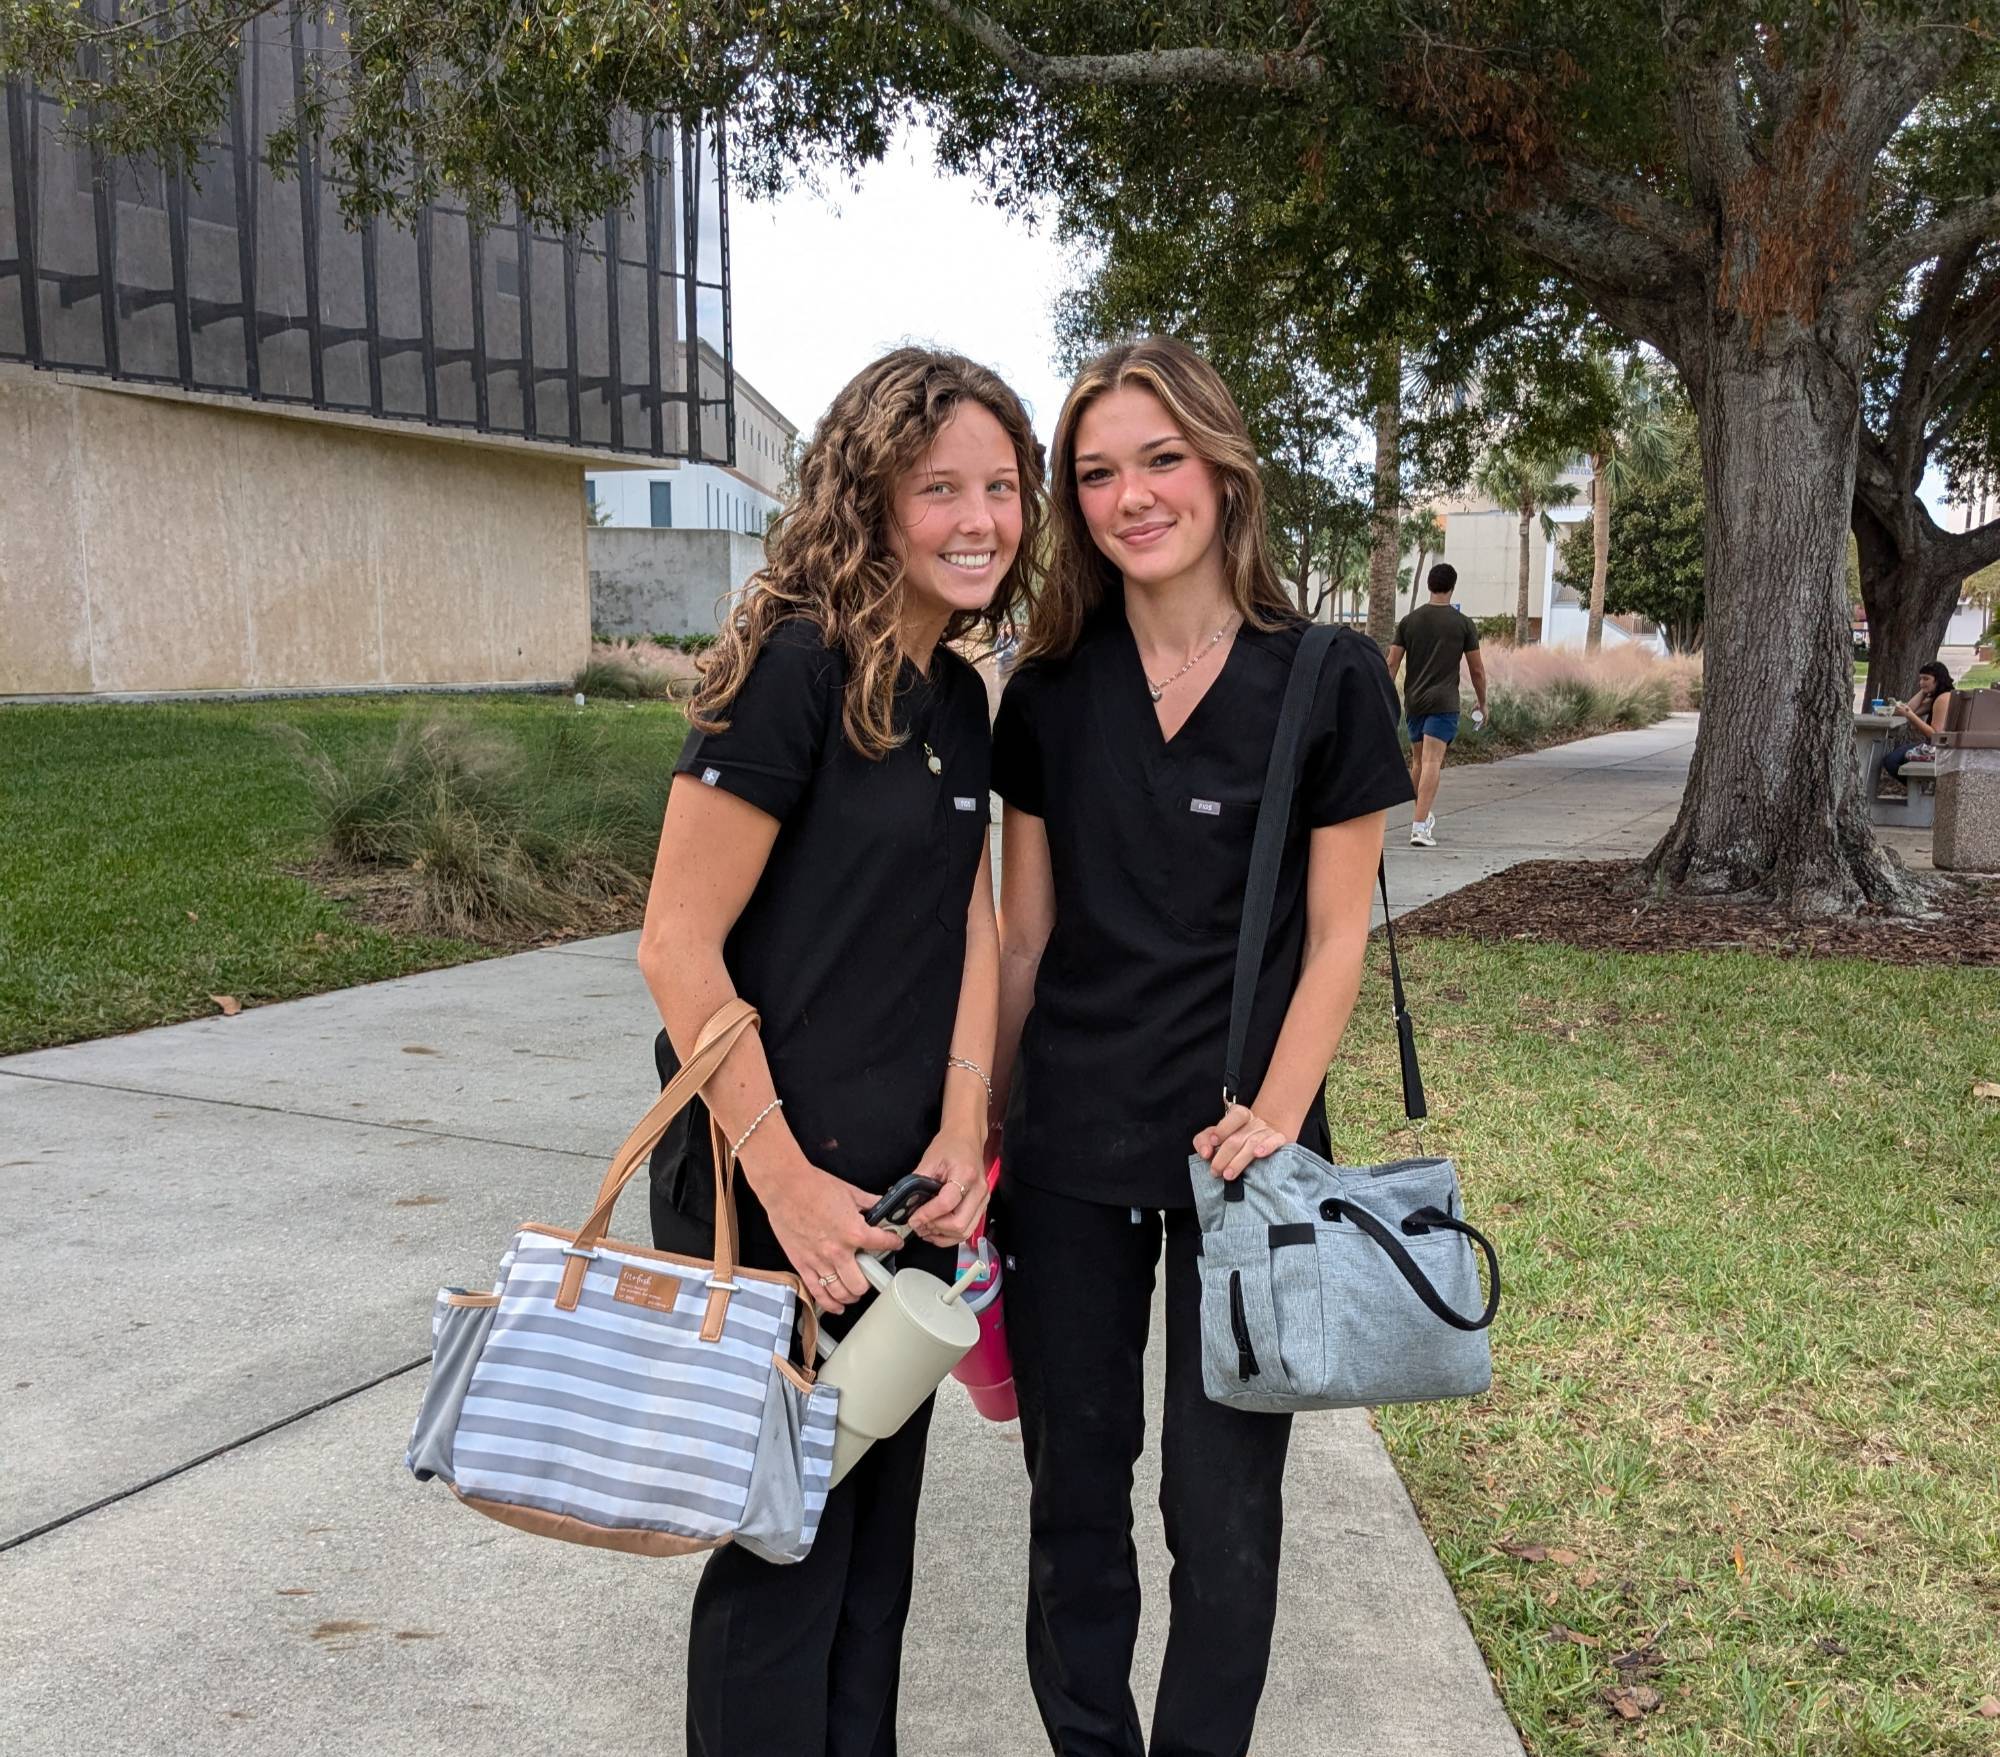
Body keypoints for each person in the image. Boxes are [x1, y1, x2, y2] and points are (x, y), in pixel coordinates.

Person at [988, 336, 1415, 1757]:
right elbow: (1027, 938)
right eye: (1096, 470)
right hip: (1066, 1151)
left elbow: (1339, 931)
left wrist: (1282, 1116)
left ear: (1226, 473)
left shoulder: (1330, 678)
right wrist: (982, 1129)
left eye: (1161, 458)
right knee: (1074, 1505)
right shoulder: (1048, 690)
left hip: (1254, 1158)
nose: (1132, 494)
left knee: (1222, 1517)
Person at [635, 347, 1043, 1756]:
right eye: (942, 489)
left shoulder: (960, 694)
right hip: (766, 1195)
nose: (981, 518)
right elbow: (676, 946)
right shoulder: (792, 663)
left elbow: (969, 921)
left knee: (875, 1567)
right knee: (780, 1570)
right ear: (870, 497)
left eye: (1001, 486)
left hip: (901, 1195)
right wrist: (791, 1183)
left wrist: (963, 1128)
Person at [1385, 563, 1487, 848]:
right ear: (1452, 586)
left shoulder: (1409, 621)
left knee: (1419, 761)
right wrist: (1483, 702)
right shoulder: (1463, 623)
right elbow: (1477, 670)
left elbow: (1392, 662)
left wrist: (1382, 696)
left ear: (1429, 585)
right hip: (1444, 702)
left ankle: (1423, 815)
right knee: (1432, 762)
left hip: (1414, 701)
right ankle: (1419, 827)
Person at [1881, 660, 1955, 783]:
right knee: (1893, 758)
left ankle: (1918, 789)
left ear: (1939, 679)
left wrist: (1909, 715)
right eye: (1920, 679)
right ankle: (1919, 789)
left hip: (1939, 748)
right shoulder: (1939, 696)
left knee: (1891, 761)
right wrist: (1924, 690)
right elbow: (1909, 708)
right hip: (1934, 746)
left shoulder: (1943, 699)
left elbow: (1934, 734)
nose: (1921, 682)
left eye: (1926, 679)